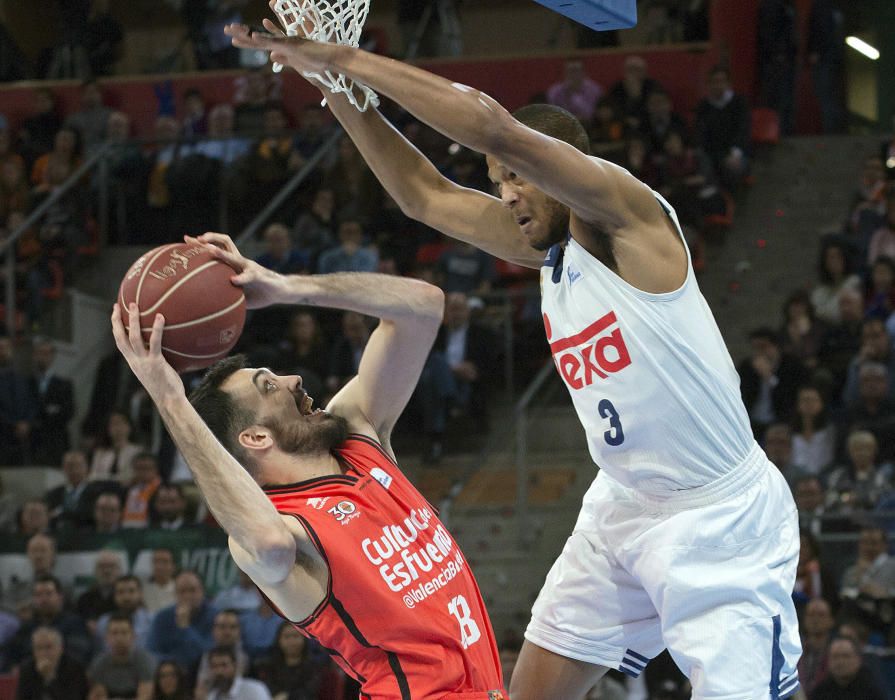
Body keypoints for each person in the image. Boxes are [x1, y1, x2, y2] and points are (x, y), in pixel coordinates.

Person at [230, 19, 801, 698]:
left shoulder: (629, 219)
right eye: (497, 182)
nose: (505, 194)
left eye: (516, 178)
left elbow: (492, 127)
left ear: (557, 165)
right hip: (622, 504)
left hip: (717, 519)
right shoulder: (546, 250)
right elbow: (423, 195)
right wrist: (334, 87)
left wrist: (343, 56)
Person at [110, 234, 506, 698]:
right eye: (270, 385)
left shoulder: (357, 433)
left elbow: (423, 306)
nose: (294, 379)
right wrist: (169, 397)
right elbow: (268, 541)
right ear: (256, 437)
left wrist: (288, 287)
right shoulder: (281, 530)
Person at [145, 570, 217, 672]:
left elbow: (207, 654)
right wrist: (174, 664)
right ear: (175, 594)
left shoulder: (215, 616)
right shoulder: (163, 617)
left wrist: (185, 628)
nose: (188, 596)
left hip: (205, 672)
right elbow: (151, 652)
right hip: (171, 674)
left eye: (192, 590)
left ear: (202, 591)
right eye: (182, 592)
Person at [87, 612, 156, 700]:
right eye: (114, 633)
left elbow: (146, 695)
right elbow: (98, 696)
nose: (119, 638)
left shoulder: (144, 660)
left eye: (124, 633)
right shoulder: (99, 663)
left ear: (133, 637)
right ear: (106, 637)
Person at [15, 626, 89, 700]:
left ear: (61, 648)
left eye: (49, 647)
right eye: (38, 648)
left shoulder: (74, 668)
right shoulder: (27, 668)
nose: (43, 653)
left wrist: (49, 677)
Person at [809, 637, 886, 700]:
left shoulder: (872, 691)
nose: (840, 662)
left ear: (858, 659)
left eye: (846, 656)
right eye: (835, 657)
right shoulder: (821, 692)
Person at [205, 646, 271, 700]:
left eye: (224, 665)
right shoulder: (212, 696)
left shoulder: (254, 689)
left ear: (235, 667)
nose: (219, 671)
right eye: (214, 666)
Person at [141, 549, 176, 614]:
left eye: (165, 562)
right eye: (156, 562)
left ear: (173, 566)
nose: (159, 566)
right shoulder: (143, 590)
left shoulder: (180, 590)